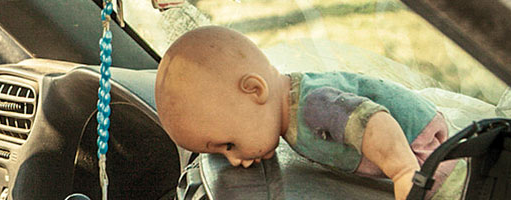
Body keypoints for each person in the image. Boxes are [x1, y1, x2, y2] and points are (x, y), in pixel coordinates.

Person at [155, 26, 459, 199]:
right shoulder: (287, 110)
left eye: (229, 144)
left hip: (426, 155)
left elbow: (374, 123)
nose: (234, 159)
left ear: (254, 90)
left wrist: (404, 171)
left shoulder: (313, 106)